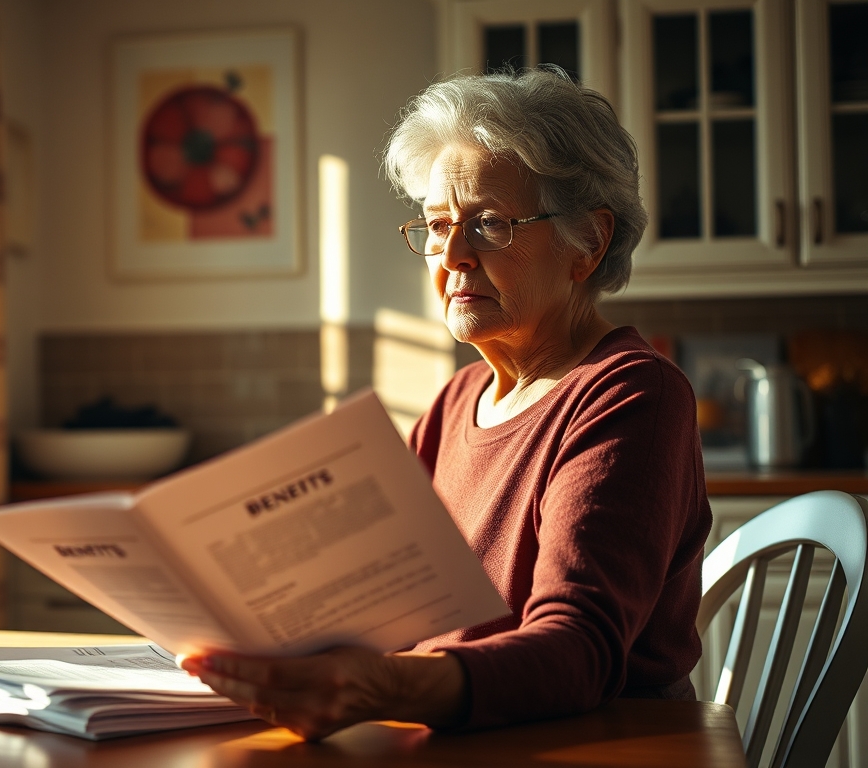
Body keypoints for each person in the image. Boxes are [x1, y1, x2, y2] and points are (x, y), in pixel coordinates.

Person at [180, 67, 712, 739]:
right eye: (437, 224)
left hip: (589, 746)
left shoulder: (630, 395)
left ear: (589, 243)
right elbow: (378, 598)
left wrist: (381, 685)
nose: (453, 254)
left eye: (489, 224)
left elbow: (578, 651)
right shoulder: (458, 399)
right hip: (459, 740)